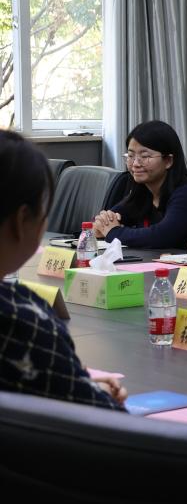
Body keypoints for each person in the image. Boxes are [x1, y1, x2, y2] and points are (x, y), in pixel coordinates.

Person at [0, 131, 126, 410]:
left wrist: (77, 382)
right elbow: (107, 418)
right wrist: (95, 392)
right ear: (22, 220)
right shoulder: (22, 319)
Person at [92, 120, 187, 249]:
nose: (135, 164)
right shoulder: (143, 191)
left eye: (145, 156)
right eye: (130, 156)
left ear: (168, 161)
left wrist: (113, 232)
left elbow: (161, 236)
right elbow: (104, 221)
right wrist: (100, 225)